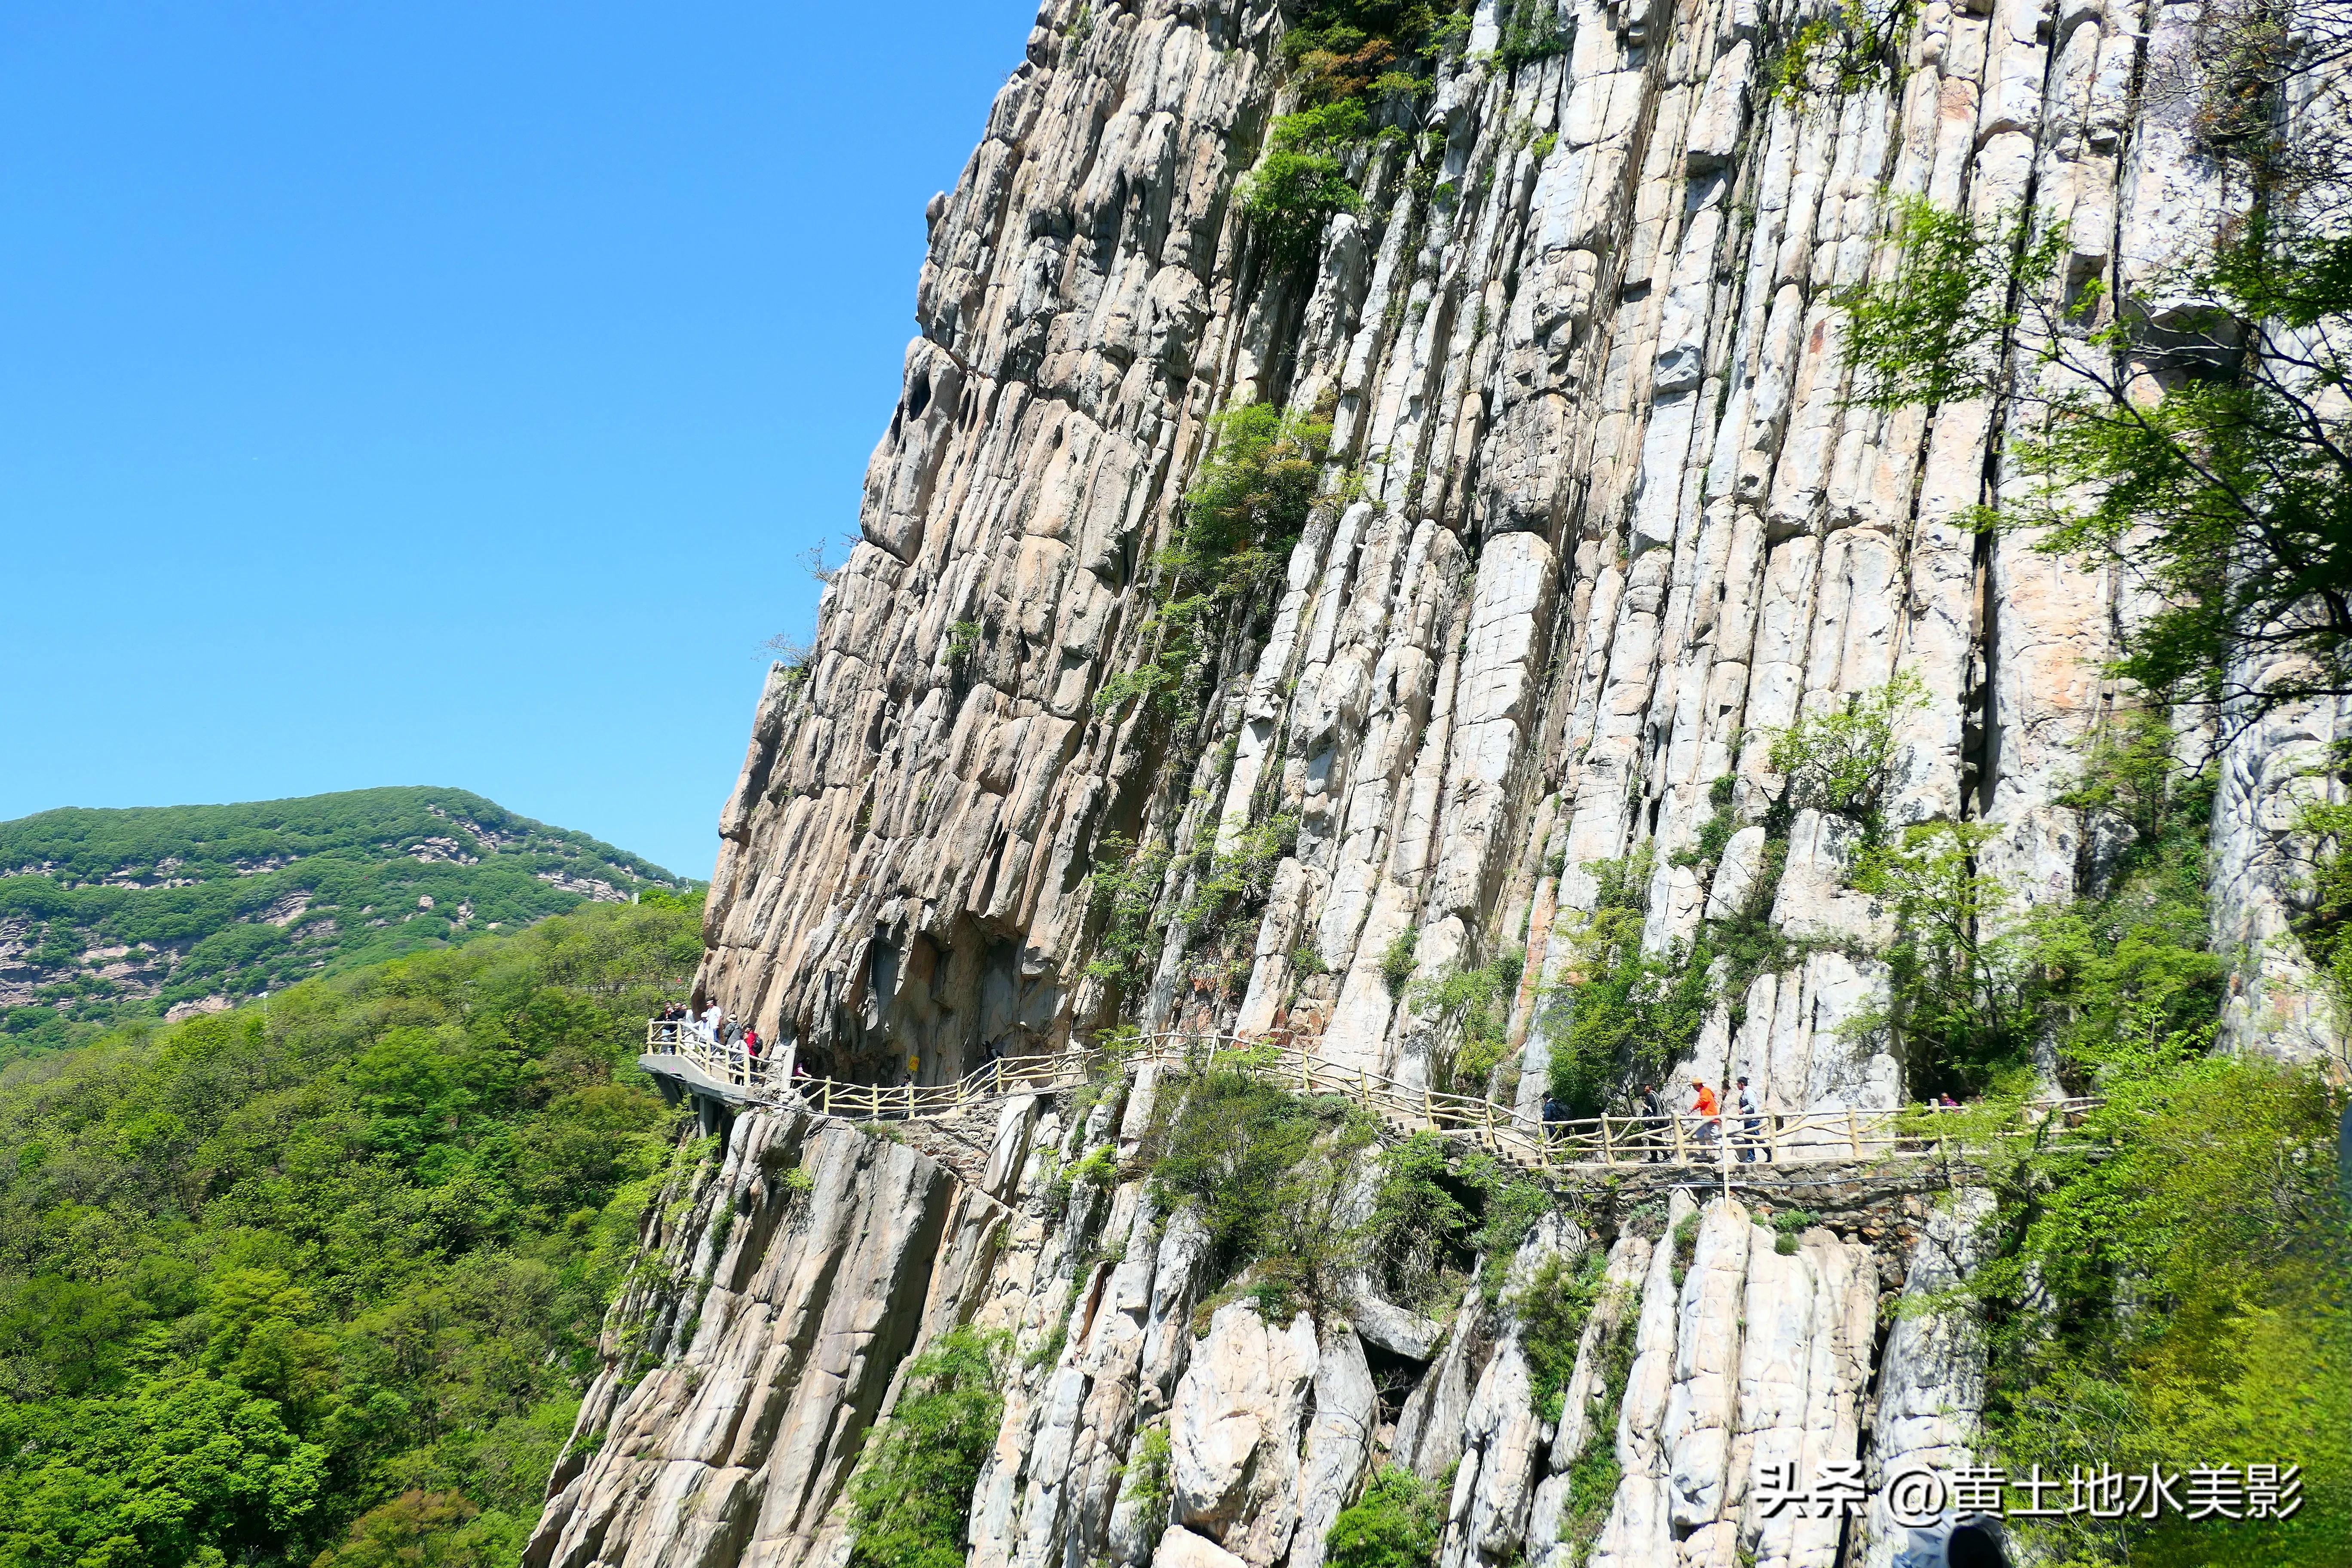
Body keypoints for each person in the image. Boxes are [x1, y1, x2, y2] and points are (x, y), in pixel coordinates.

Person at [1736, 1075, 1768, 1163]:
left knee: (1757, 1138)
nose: (1737, 1085)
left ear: (1742, 1084)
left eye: (1738, 1084)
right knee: (1747, 1138)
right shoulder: (1744, 1092)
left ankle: (1769, 1153)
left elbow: (1752, 1105)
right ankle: (1751, 1156)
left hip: (1753, 1120)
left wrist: (1743, 1110)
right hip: (1748, 1119)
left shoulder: (1749, 1092)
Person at [1638, 1083, 1666, 1161]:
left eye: (1645, 1086)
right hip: (1656, 1121)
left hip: (1655, 1121)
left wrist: (1646, 1107)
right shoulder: (1656, 1095)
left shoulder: (1650, 1096)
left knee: (1658, 1139)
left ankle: (1667, 1156)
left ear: (1650, 1087)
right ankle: (1654, 1157)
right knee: (1652, 1139)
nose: (1644, 1088)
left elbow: (1654, 1107)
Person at [1692, 1080, 1721, 1148]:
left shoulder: (1704, 1091)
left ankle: (1724, 1156)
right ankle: (1703, 1155)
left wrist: (1693, 1109)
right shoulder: (1705, 1091)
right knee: (1699, 1133)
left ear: (1698, 1086)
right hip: (1706, 1119)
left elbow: (1702, 1101)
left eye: (1694, 1087)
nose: (1694, 1089)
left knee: (1716, 1138)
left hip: (1709, 1118)